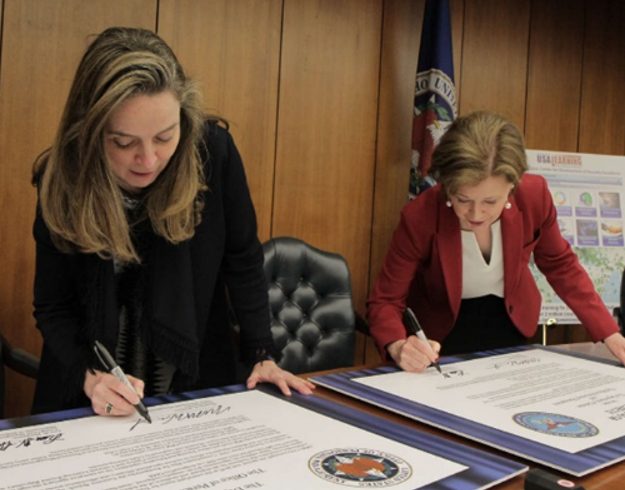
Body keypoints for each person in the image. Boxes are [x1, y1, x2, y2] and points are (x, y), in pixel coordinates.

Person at [31, 27, 314, 417]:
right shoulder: (65, 178)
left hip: (194, 378)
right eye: (124, 143)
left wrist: (261, 352)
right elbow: (53, 306)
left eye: (165, 137)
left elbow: (243, 259)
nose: (148, 161)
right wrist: (90, 376)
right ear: (90, 132)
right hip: (89, 392)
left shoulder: (212, 154)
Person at [367, 111, 625, 372]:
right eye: (462, 199)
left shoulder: (534, 196)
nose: (476, 214)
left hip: (511, 323)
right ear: (447, 185)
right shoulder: (420, 216)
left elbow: (560, 266)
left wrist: (610, 333)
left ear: (513, 186)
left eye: (490, 202)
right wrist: (399, 346)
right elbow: (385, 301)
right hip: (439, 338)